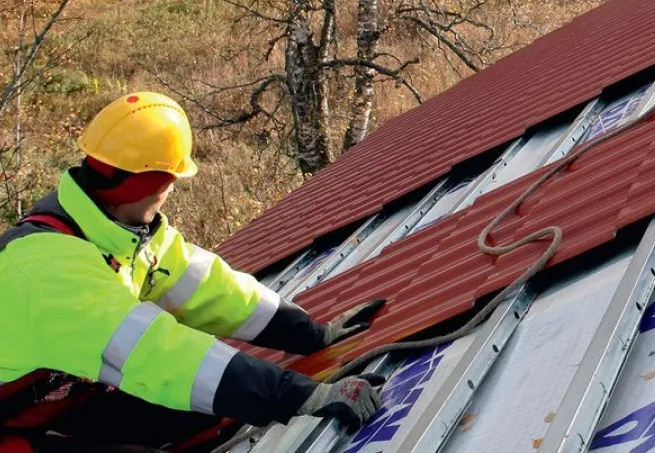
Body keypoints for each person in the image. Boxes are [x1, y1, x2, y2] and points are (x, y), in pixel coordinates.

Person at [0, 92, 387, 451]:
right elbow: (159, 354)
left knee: (209, 417)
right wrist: (301, 396)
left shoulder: (124, 237)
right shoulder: (47, 268)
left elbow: (213, 291)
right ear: (161, 181)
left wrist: (313, 335)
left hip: (55, 404)